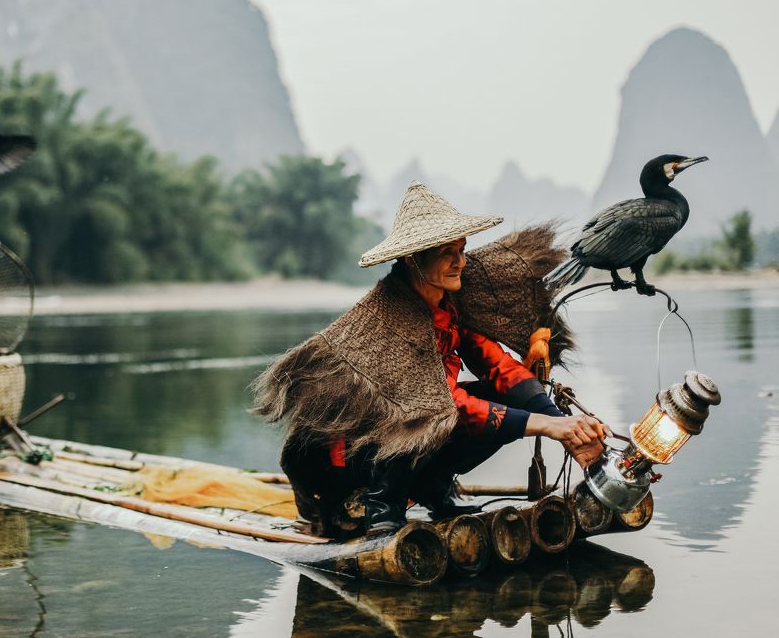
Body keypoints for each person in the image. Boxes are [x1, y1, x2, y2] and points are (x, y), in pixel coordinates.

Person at [254, 182, 607, 538]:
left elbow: (497, 365)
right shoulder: (385, 318)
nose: (460, 262)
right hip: (350, 463)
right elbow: (437, 403)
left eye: (461, 249)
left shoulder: (447, 301)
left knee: (498, 399)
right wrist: (544, 426)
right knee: (414, 416)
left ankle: (431, 487)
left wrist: (562, 424)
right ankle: (382, 506)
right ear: (413, 260)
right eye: (445, 252)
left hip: (416, 433)